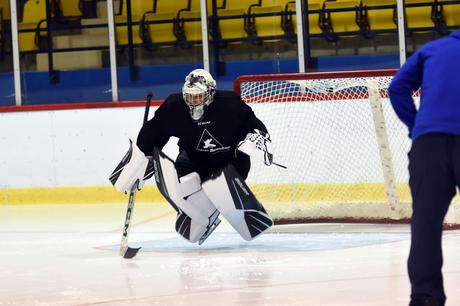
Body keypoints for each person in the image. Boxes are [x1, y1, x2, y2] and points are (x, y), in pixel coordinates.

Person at [110, 68, 274, 244]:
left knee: (218, 187)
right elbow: (154, 131)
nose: (193, 101)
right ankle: (203, 214)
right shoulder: (175, 108)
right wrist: (141, 160)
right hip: (193, 160)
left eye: (198, 96)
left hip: (230, 163)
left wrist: (257, 137)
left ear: (210, 93)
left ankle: (216, 205)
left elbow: (252, 124)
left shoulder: (229, 105)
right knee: (185, 198)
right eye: (189, 96)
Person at [388, 31, 460, 306]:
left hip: (428, 143)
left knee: (425, 224)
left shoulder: (432, 49)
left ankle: (425, 297)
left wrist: (416, 126)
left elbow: (397, 88)